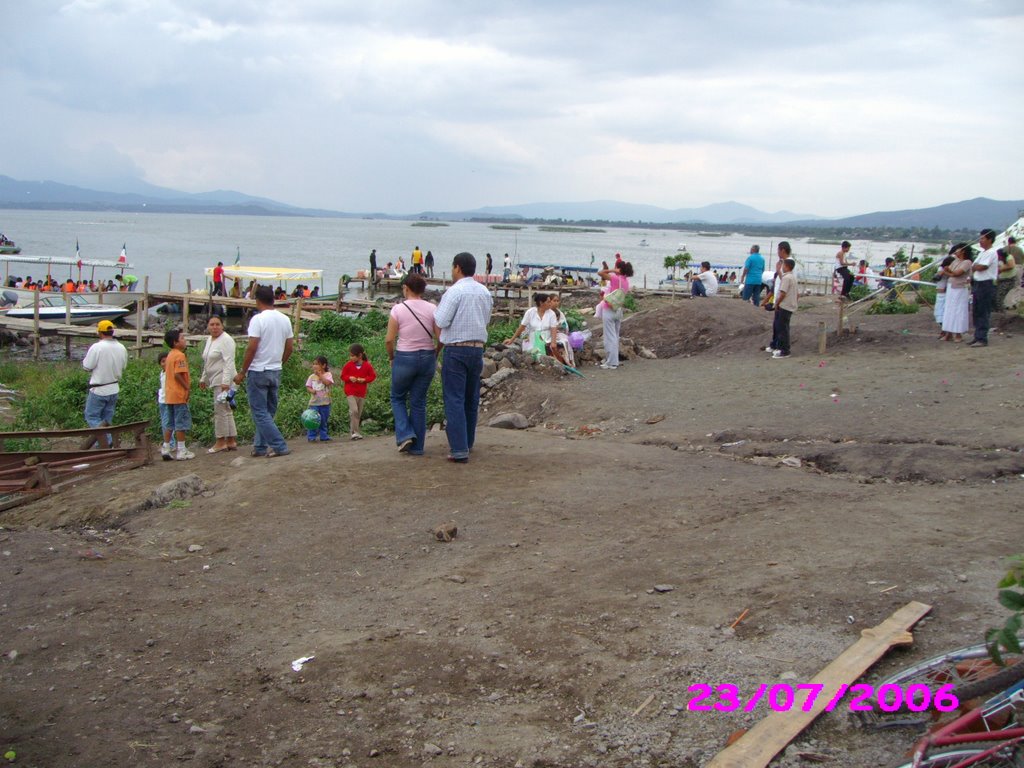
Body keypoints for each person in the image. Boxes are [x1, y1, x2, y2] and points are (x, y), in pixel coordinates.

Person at [433, 252, 493, 463]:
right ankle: (467, 442)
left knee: (454, 399)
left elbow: (440, 319)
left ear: (457, 267)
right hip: (477, 349)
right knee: (470, 398)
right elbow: (486, 319)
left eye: (452, 267)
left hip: (456, 349)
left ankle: (459, 449)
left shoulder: (454, 291)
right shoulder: (484, 291)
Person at [234, 285, 294, 457]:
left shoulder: (258, 320)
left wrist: (242, 371)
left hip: (258, 370)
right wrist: (280, 362)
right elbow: (289, 347)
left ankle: (279, 445)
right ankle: (260, 446)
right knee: (268, 411)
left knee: (260, 412)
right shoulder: (284, 319)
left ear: (257, 300)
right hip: (275, 370)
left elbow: (252, 347)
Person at [386, 274, 437, 455]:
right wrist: (435, 353)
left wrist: (392, 358)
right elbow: (441, 337)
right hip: (427, 357)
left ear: (406, 288)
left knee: (397, 397)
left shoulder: (398, 309)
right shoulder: (432, 308)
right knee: (418, 402)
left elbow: (389, 340)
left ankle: (405, 434)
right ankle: (418, 448)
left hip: (405, 357)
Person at [82, 320, 128, 445]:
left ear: (100, 333)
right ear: (112, 332)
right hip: (114, 387)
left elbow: (87, 366)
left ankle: (107, 441)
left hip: (99, 389)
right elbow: (124, 366)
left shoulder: (97, 347)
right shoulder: (121, 347)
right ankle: (102, 443)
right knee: (107, 419)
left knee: (92, 416)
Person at [199, 315, 238, 453]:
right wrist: (203, 378)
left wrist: (225, 382)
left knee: (220, 410)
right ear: (208, 326)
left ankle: (221, 440)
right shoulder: (210, 339)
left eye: (217, 324)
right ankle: (231, 440)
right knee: (225, 409)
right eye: (212, 324)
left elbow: (229, 362)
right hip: (214, 378)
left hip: (223, 379)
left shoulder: (226, 340)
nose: (214, 327)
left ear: (222, 325)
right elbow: (207, 361)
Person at [162, 328, 195, 460]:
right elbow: (178, 374)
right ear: (176, 342)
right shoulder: (180, 356)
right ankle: (181, 450)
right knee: (180, 423)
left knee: (170, 423)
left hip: (169, 394)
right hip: (178, 394)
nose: (184, 340)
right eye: (182, 338)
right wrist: (187, 387)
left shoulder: (170, 355)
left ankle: (166, 447)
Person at [596, 260, 633, 370]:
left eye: (616, 267)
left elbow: (600, 273)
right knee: (615, 336)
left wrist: (612, 270)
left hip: (609, 309)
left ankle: (612, 362)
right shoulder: (626, 281)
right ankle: (613, 360)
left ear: (619, 269)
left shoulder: (616, 278)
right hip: (618, 310)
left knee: (609, 337)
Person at [969, 229, 999, 347]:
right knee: (976, 310)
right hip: (977, 283)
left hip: (986, 284)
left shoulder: (992, 252)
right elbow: (974, 266)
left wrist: (976, 267)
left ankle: (982, 338)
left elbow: (981, 267)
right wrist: (975, 267)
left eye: (982, 238)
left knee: (983, 311)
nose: (980, 241)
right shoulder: (982, 253)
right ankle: (977, 336)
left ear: (989, 239)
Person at [341, 343, 376, 440]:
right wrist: (349, 378)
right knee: (354, 410)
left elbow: (372, 376)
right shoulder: (348, 365)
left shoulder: (367, 366)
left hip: (361, 393)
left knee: (358, 413)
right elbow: (343, 376)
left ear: (360, 355)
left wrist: (364, 380)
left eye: (353, 355)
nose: (351, 357)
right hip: (350, 392)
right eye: (350, 355)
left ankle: (355, 432)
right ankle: (354, 432)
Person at [941, 243, 973, 343]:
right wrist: (949, 271)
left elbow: (957, 273)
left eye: (958, 250)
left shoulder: (967, 262)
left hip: (960, 288)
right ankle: (948, 333)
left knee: (958, 310)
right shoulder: (955, 260)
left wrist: (949, 271)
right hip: (951, 287)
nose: (956, 252)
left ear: (963, 251)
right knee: (949, 309)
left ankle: (958, 334)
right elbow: (949, 273)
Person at [771, 249, 798, 359]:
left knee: (782, 328)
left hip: (785, 306)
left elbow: (782, 293)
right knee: (783, 327)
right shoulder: (792, 277)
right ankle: (782, 348)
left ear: (786, 266)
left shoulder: (787, 278)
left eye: (783, 265)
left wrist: (777, 303)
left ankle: (785, 350)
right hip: (789, 305)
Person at [305, 355, 335, 442]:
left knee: (323, 420)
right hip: (314, 403)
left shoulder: (328, 375)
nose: (314, 366)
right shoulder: (311, 377)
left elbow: (327, 383)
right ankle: (311, 436)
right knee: (312, 420)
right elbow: (308, 386)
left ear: (324, 365)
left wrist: (320, 375)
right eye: (313, 364)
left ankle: (323, 435)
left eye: (317, 364)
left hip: (325, 403)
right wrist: (311, 391)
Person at [156, 351, 176, 460]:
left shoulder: (171, 373)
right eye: (162, 361)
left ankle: (170, 444)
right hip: (162, 400)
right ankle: (169, 443)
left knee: (167, 423)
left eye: (166, 361)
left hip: (168, 400)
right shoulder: (162, 373)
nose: (165, 363)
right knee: (165, 423)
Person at [934, 256, 954, 338]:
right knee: (938, 314)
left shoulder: (949, 271)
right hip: (940, 292)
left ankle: (946, 331)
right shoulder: (941, 269)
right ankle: (944, 330)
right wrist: (943, 272)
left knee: (942, 314)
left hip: (945, 293)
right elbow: (936, 278)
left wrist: (946, 271)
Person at [996, 245, 1018, 311]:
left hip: (1009, 280)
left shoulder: (1009, 257)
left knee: (999, 296)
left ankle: (1001, 311)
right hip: (1001, 279)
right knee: (998, 295)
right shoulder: (999, 260)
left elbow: (1011, 265)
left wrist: (1000, 269)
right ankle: (1000, 309)